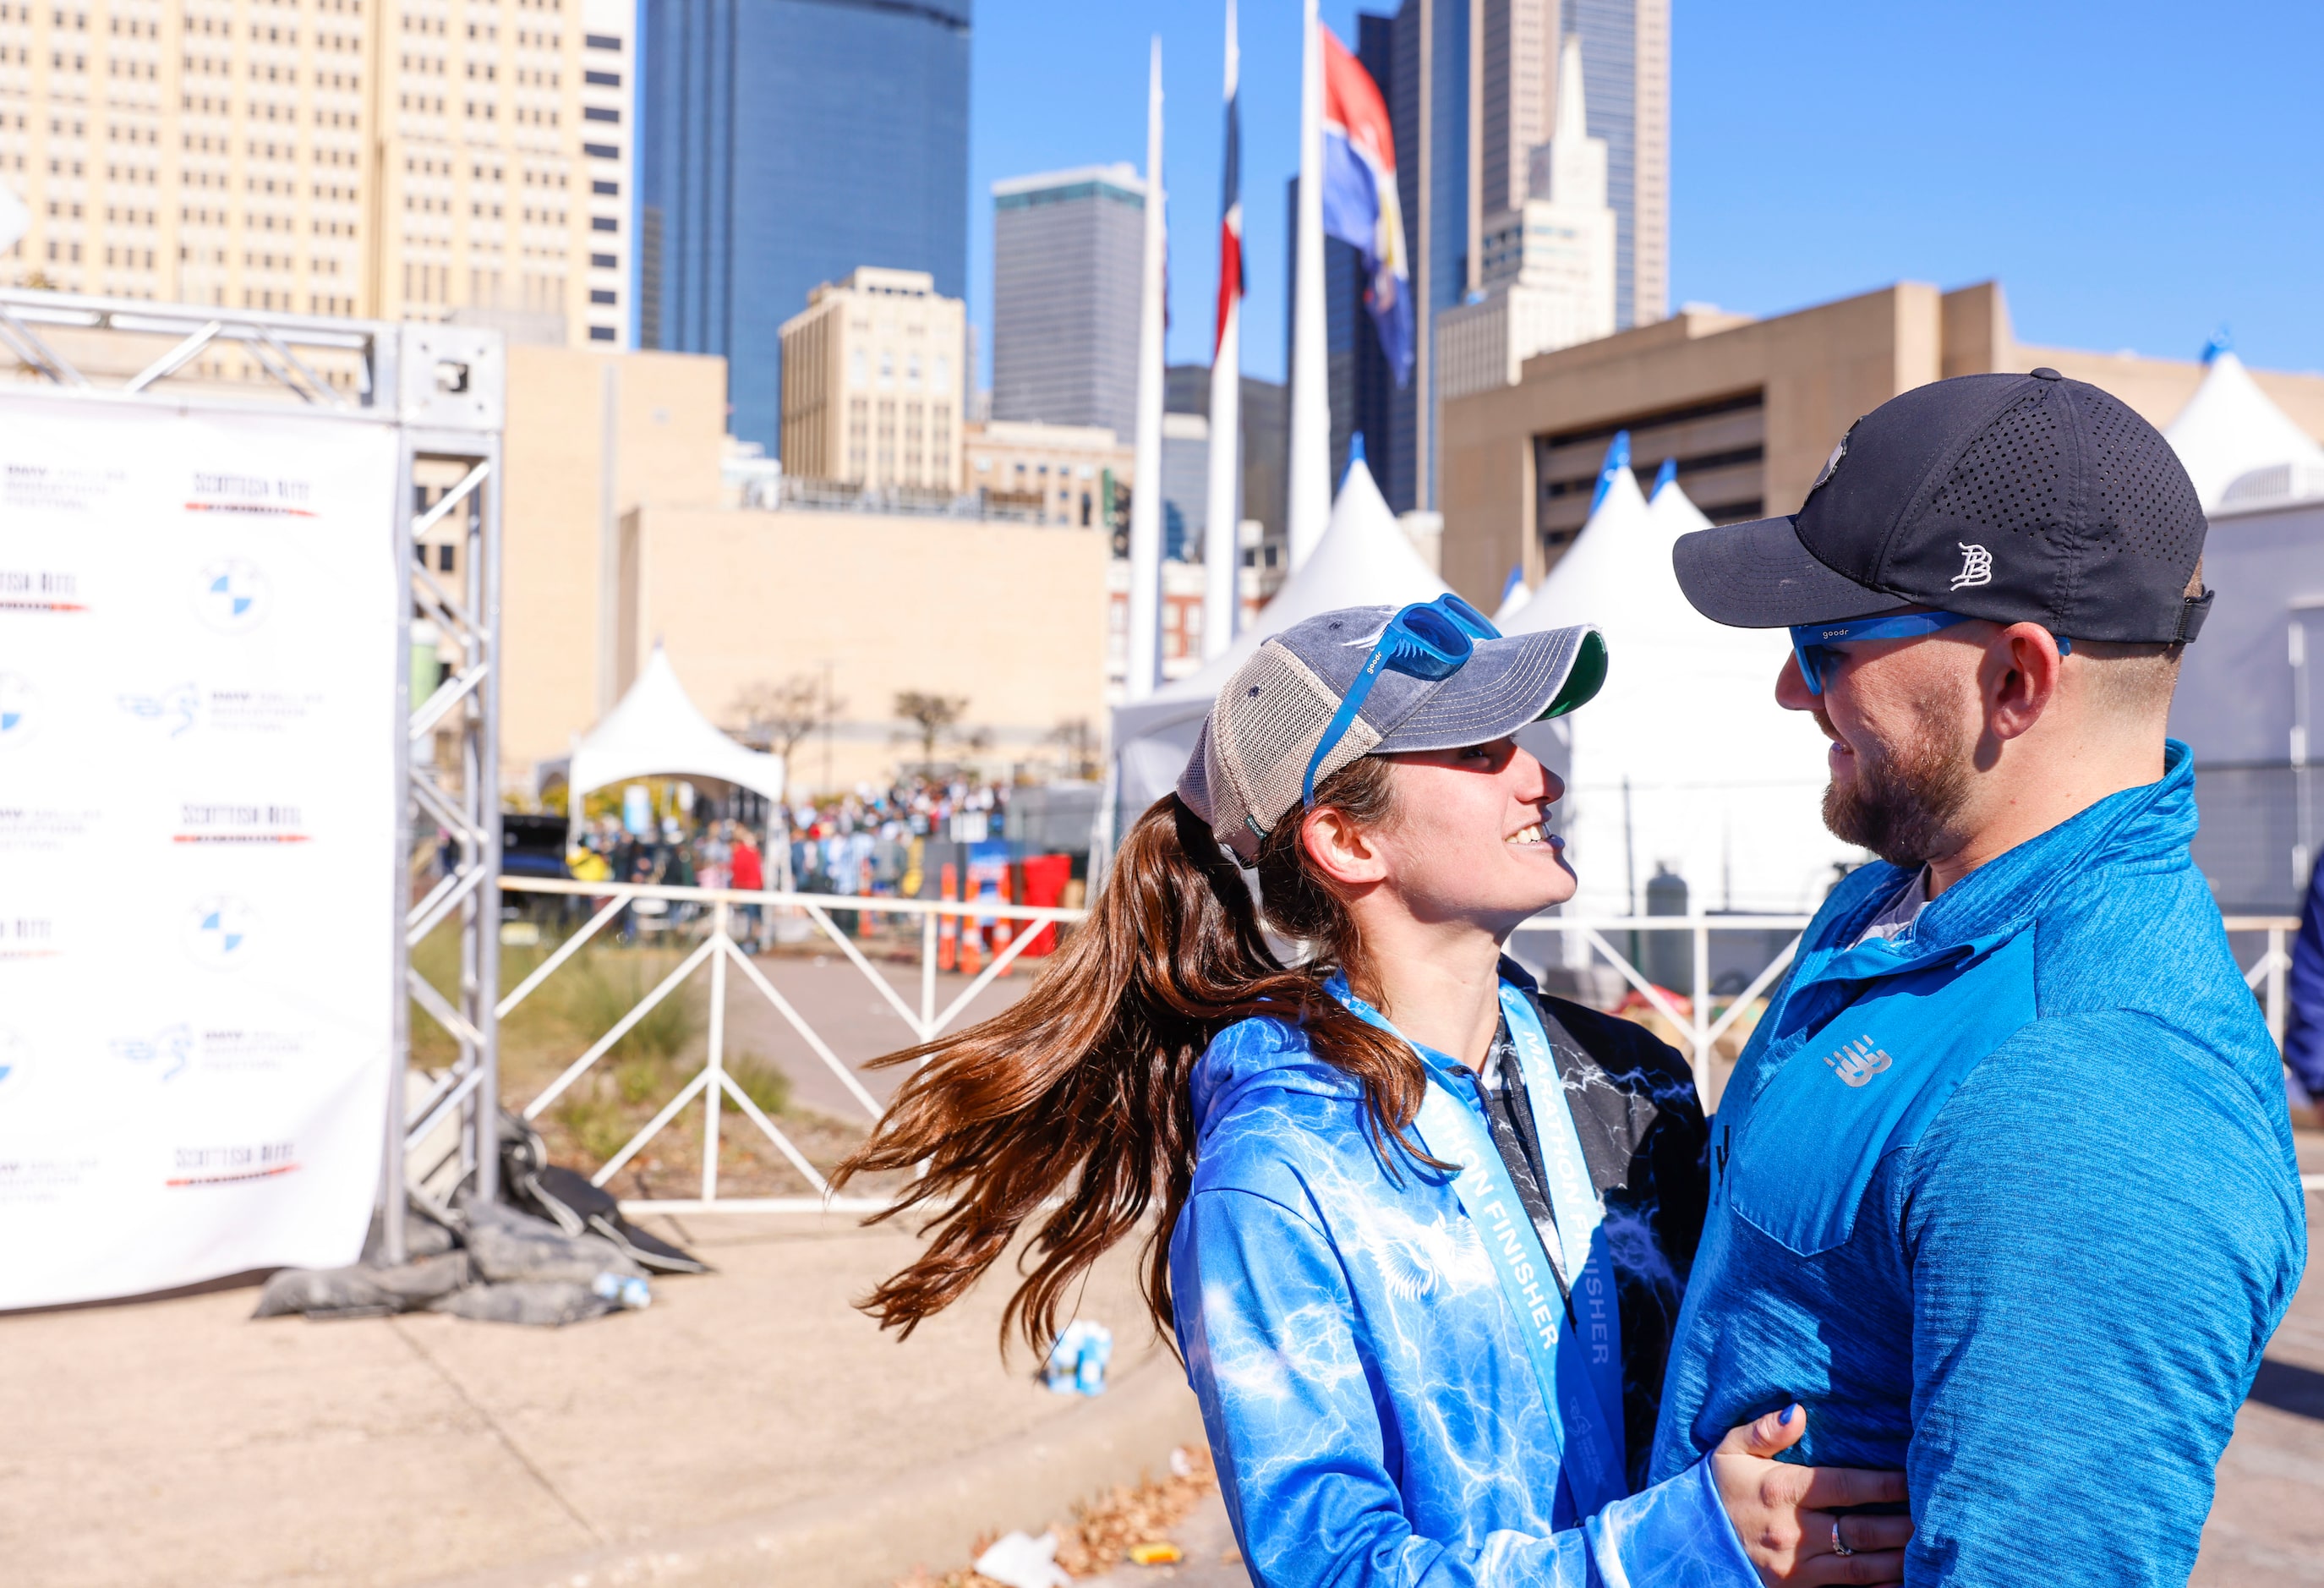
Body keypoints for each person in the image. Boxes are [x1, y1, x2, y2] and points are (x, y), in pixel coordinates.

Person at [840, 600, 1911, 1586]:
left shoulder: (1637, 1075)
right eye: (1482, 752)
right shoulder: (1275, 1175)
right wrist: (1669, 1552)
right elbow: (1328, 1566)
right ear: (1347, 841)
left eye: (1525, 744)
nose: (1539, 777)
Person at [1656, 368, 2308, 1584]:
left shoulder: (2093, 1085)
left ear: (2016, 678)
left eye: (1829, 643)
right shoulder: (1898, 896)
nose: (1792, 687)